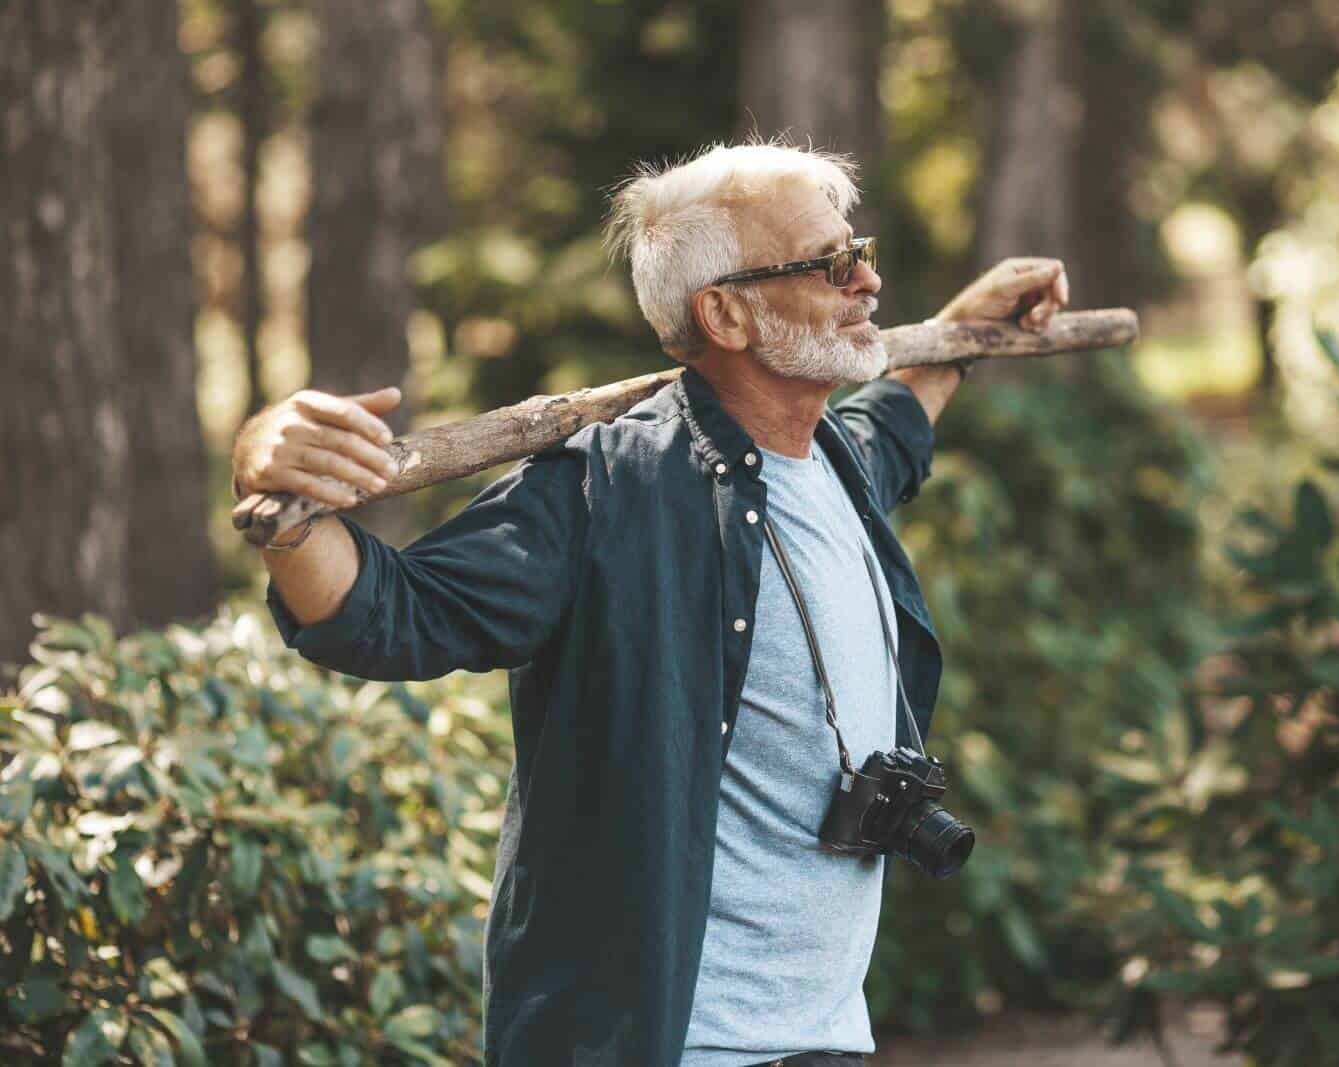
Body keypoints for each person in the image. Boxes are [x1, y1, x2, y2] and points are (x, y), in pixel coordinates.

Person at [232, 140, 1068, 1067]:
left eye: (859, 248)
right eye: (833, 263)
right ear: (726, 312)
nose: (868, 280)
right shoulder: (603, 494)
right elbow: (387, 613)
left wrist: (959, 336)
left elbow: (893, 431)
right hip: (670, 1044)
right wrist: (280, 502)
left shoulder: (833, 458)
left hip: (827, 1040)